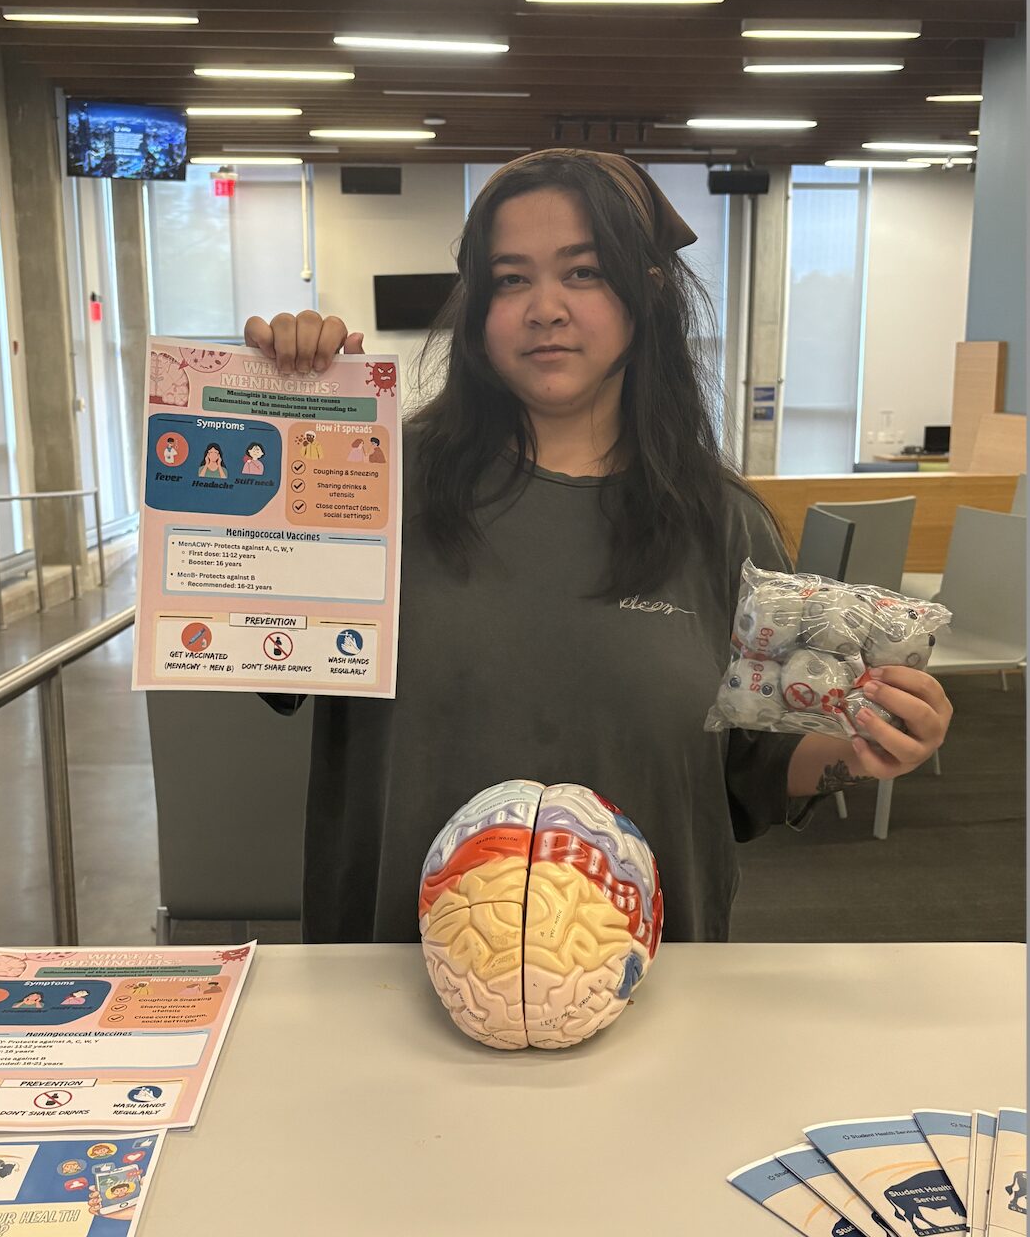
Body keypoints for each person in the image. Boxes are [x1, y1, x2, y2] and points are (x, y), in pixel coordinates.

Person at [244, 148, 951, 945]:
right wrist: (284, 417)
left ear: (647, 294)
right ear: (478, 308)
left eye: (582, 273)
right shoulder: (372, 485)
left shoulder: (722, 522)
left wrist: (865, 742)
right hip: (392, 985)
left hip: (642, 991)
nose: (545, 307)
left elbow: (755, 771)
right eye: (511, 279)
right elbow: (255, 649)